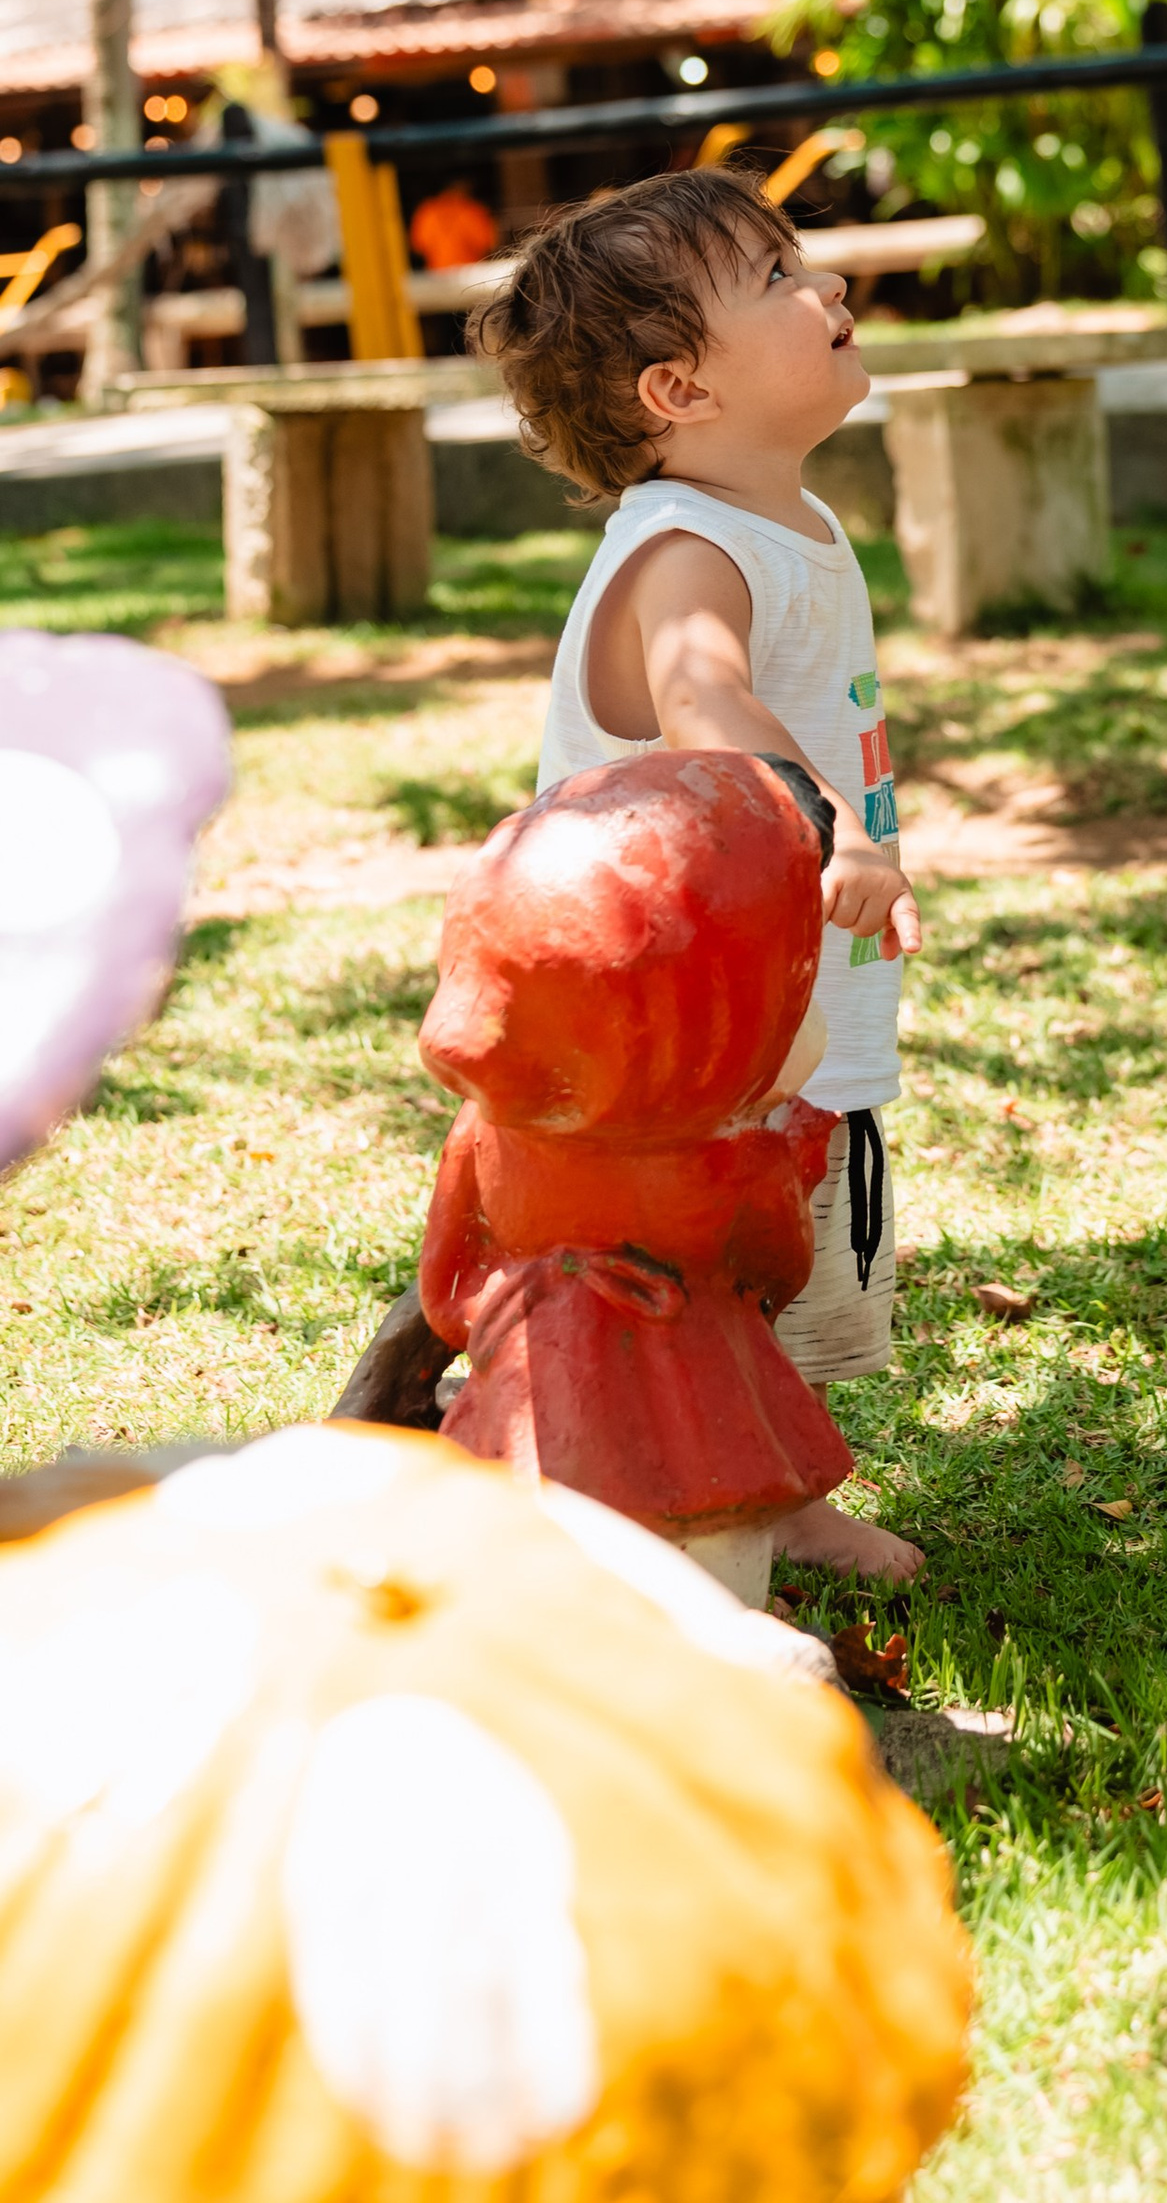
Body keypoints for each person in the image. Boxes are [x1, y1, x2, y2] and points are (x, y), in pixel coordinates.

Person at [471, 166, 927, 1578]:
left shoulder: (783, 522)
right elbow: (703, 699)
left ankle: (772, 1490)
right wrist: (833, 822)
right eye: (778, 277)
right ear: (680, 389)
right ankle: (679, 1502)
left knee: (784, 1251)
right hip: (686, 1025)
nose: (828, 284)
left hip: (772, 992)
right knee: (717, 1251)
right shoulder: (688, 552)